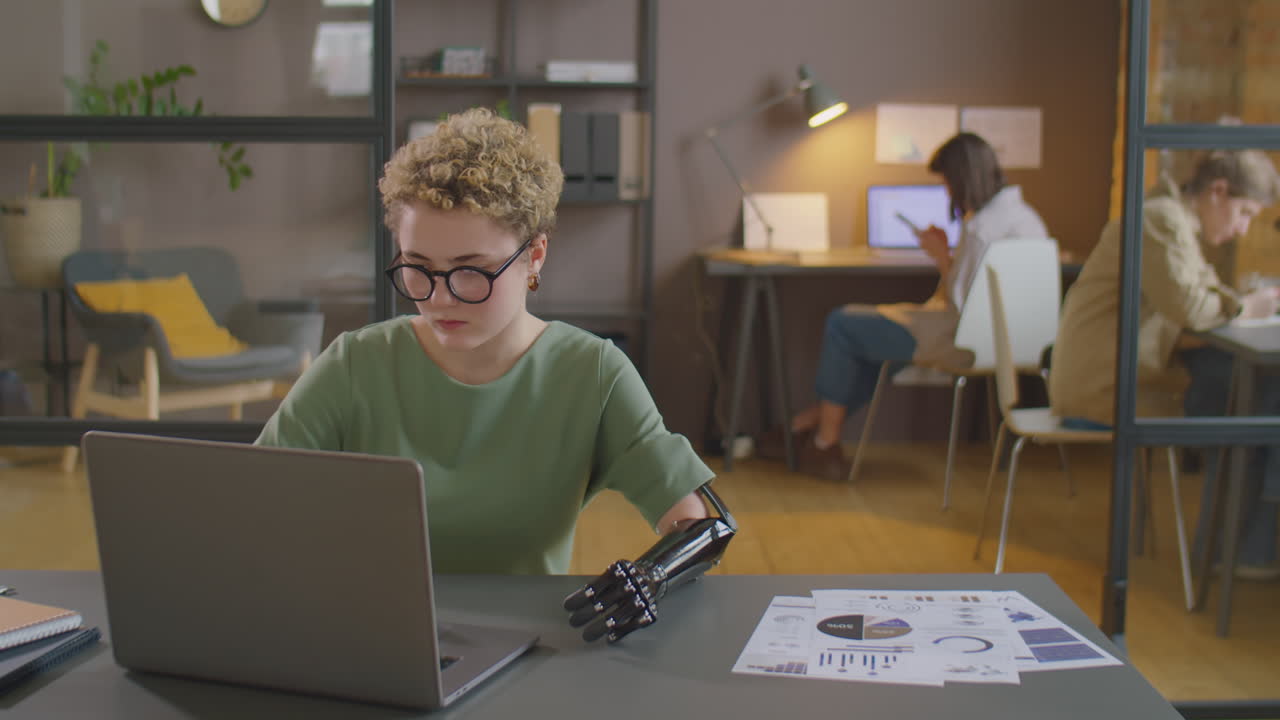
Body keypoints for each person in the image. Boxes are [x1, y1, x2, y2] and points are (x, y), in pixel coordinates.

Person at [256, 108, 735, 642]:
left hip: (528, 645)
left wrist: (651, 576)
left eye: (471, 271)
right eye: (418, 267)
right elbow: (252, 501)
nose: (438, 297)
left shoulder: (590, 373)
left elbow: (703, 526)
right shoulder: (356, 364)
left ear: (534, 255)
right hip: (368, 638)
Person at [762, 132, 1049, 481]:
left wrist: (941, 256)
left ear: (961, 179)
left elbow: (963, 303)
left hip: (970, 342)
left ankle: (823, 442)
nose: (947, 193)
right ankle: (802, 426)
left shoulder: (982, 230)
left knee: (843, 325)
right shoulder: (1026, 218)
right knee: (873, 344)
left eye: (946, 184)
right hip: (1021, 343)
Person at [1050, 149, 1280, 578]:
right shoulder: (1162, 220)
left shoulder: (1172, 222)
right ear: (1218, 192)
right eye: (1244, 213)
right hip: (1106, 387)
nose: (1242, 229)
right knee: (1250, 401)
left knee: (1245, 397)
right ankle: (1238, 549)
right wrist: (1246, 306)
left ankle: (1241, 545)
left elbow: (1199, 297)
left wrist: (1233, 303)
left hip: (1123, 373)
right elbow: (1192, 306)